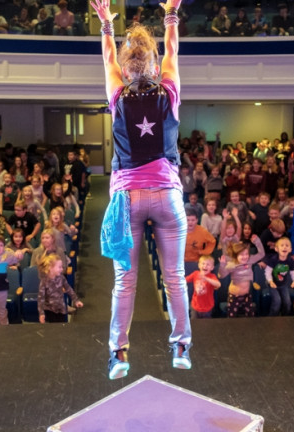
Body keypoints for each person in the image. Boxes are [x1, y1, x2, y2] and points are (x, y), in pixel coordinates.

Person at [93, 0, 191, 380]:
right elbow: (174, 49)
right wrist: (170, 13)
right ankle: (180, 345)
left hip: (127, 201)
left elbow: (106, 60)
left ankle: (119, 354)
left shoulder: (117, 97)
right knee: (175, 277)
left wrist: (105, 23)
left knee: (125, 280)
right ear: (153, 65)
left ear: (127, 67)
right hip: (167, 197)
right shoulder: (169, 92)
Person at [218, 236, 265, 318]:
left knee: (250, 314)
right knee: (232, 315)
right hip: (234, 295)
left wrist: (257, 242)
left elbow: (261, 254)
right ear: (236, 256)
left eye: (246, 254)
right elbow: (222, 275)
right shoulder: (232, 264)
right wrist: (222, 265)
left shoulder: (250, 260)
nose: (245, 257)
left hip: (246, 295)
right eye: (242, 255)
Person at [263, 237, 294, 316]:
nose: (284, 247)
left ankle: (284, 318)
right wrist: (270, 281)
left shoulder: (290, 261)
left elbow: (293, 272)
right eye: (282, 245)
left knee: (287, 303)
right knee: (277, 301)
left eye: (287, 245)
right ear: (276, 249)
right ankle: (272, 318)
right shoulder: (273, 260)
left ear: (290, 249)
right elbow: (268, 272)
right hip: (272, 284)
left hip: (283, 285)